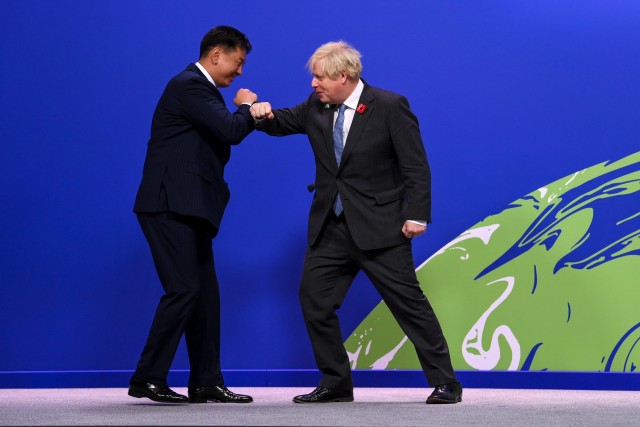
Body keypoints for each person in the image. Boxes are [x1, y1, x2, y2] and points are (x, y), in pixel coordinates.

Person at [250, 41, 462, 404]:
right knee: (314, 301)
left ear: (343, 76)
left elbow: (415, 166)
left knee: (409, 305)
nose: (314, 84)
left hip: (382, 228)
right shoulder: (315, 107)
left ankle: (446, 383)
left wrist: (417, 214)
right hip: (330, 228)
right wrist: (255, 111)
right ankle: (336, 382)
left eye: (319, 77)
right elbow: (279, 122)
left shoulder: (391, 106)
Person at [129, 26, 257, 404]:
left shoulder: (199, 91)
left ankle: (206, 381)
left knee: (205, 297)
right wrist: (248, 106)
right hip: (169, 206)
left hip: (191, 209)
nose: (239, 73)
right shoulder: (190, 85)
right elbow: (231, 130)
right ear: (216, 54)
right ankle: (147, 378)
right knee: (184, 290)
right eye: (238, 62)